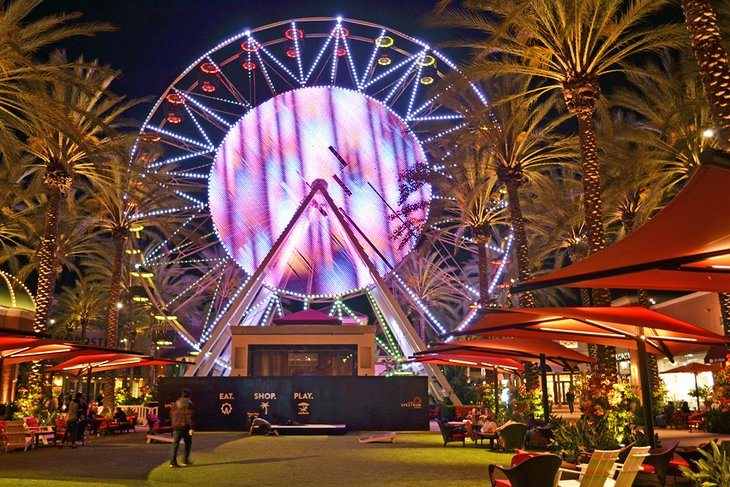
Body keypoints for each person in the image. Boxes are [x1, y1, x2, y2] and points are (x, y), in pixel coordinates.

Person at [169, 388, 194, 468]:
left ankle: (172, 462)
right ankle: (185, 461)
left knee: (175, 444)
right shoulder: (189, 404)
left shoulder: (175, 404)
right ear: (189, 396)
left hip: (176, 426)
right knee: (188, 443)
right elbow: (189, 416)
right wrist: (192, 427)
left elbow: (171, 415)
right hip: (185, 426)